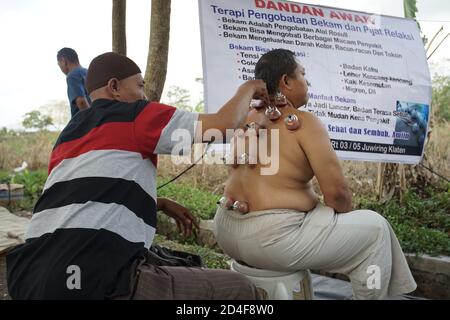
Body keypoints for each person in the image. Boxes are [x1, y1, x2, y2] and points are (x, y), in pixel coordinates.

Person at [6, 52, 270, 300]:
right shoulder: (136, 114)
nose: (144, 95)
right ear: (115, 87)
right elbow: (224, 126)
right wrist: (249, 87)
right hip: (93, 276)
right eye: (140, 86)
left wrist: (160, 202)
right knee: (240, 288)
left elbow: (85, 197)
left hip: (30, 276)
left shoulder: (67, 135)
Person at [213, 49, 417, 300]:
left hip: (225, 228)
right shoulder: (304, 122)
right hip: (273, 240)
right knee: (376, 230)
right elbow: (338, 195)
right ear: (286, 81)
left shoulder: (245, 117)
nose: (307, 82)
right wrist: (332, 221)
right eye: (303, 74)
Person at [57, 47, 91, 118]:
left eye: (59, 65)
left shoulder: (72, 75)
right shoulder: (88, 72)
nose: (61, 69)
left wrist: (90, 120)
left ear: (63, 61)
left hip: (83, 121)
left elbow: (81, 101)